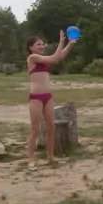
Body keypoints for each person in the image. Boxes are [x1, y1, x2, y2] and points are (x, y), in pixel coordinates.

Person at [25, 31, 76, 170]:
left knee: (51, 126)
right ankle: (31, 160)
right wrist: (61, 42)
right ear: (31, 47)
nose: (42, 46)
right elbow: (54, 59)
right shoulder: (33, 57)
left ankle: (50, 156)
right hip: (35, 97)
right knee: (35, 128)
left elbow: (58, 58)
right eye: (38, 44)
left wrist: (70, 44)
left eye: (43, 44)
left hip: (48, 96)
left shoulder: (43, 58)